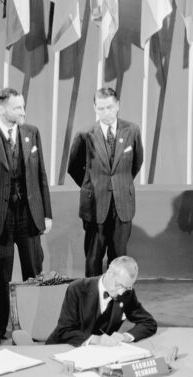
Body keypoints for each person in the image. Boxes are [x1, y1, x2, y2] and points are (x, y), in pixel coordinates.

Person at [0, 87, 53, 348]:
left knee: (34, 274)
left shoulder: (32, 133)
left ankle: (34, 325)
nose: (23, 111)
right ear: (2, 109)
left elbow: (41, 177)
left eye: (23, 106)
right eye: (18, 108)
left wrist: (46, 213)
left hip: (29, 217)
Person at [67, 88, 144, 277]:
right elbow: (74, 168)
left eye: (110, 107)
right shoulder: (84, 134)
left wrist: (119, 186)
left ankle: (116, 301)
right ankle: (93, 301)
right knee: (93, 258)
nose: (106, 113)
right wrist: (92, 187)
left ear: (118, 105)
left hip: (122, 205)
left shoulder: (131, 131)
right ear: (95, 108)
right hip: (94, 206)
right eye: (101, 109)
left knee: (119, 258)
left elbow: (136, 163)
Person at [46, 256, 157, 346]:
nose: (121, 292)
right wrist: (96, 340)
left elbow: (149, 323)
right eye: (119, 285)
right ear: (109, 273)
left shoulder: (127, 293)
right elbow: (64, 331)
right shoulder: (77, 288)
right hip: (63, 348)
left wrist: (125, 336)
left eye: (127, 287)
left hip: (99, 354)